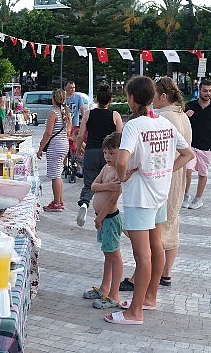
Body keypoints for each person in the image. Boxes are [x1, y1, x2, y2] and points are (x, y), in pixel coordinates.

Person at [105, 76, 193, 325]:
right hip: (159, 194)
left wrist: (123, 177)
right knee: (156, 248)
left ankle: (135, 312)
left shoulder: (134, 125)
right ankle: (149, 298)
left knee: (142, 256)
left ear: (132, 98)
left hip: (140, 197)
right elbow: (187, 154)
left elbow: (122, 161)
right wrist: (167, 170)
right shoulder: (163, 123)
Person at [81, 132, 124, 309]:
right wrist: (106, 186)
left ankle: (114, 294)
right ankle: (104, 287)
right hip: (102, 220)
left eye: (112, 153)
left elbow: (112, 200)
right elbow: (93, 186)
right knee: (107, 254)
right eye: (105, 153)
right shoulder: (106, 169)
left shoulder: (119, 173)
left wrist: (99, 218)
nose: (107, 156)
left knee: (115, 256)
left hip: (109, 219)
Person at [75, 84, 123, 226]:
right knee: (108, 182)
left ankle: (84, 203)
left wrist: (78, 148)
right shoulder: (115, 115)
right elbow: (120, 137)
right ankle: (106, 210)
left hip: (90, 151)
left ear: (96, 99)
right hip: (110, 154)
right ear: (111, 100)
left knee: (89, 183)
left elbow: (81, 134)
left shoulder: (88, 114)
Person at [181, 79, 211, 210]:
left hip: (206, 146)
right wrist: (185, 116)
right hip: (190, 145)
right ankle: (185, 195)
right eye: (205, 91)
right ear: (199, 91)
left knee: (203, 173)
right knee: (188, 170)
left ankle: (198, 198)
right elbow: (181, 124)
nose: (208, 93)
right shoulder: (190, 106)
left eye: (210, 90)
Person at [36, 88, 71, 212]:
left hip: (55, 146)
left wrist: (40, 149)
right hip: (63, 145)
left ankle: (56, 203)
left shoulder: (53, 113)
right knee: (58, 174)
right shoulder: (65, 113)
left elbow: (48, 133)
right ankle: (59, 200)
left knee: (55, 176)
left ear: (53, 99)